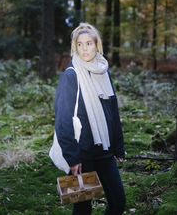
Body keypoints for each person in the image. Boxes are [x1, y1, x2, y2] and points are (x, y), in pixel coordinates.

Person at [54, 22, 126, 215]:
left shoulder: (103, 72)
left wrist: (118, 146)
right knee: (83, 208)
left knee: (118, 202)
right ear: (75, 47)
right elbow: (63, 121)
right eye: (80, 44)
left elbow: (112, 112)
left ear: (97, 45)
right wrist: (72, 157)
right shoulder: (70, 76)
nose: (85, 48)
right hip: (82, 154)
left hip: (105, 151)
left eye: (89, 43)